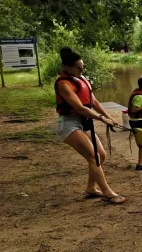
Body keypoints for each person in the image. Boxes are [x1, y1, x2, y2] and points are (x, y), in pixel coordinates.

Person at [54, 47, 126, 204]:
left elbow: (93, 101)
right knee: (93, 157)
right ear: (67, 67)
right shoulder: (63, 84)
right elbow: (79, 108)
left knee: (101, 155)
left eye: (82, 68)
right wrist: (101, 118)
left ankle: (91, 188)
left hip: (83, 123)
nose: (81, 71)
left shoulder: (81, 79)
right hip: (68, 124)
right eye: (78, 68)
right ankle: (108, 193)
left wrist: (108, 117)